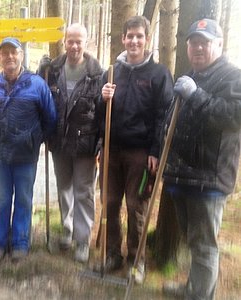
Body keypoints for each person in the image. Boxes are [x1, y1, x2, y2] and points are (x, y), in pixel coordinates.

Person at [162, 19, 241, 299]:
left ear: (218, 45)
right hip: (182, 174)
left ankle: (201, 295)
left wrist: (197, 96)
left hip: (209, 177)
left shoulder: (233, 77)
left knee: (204, 244)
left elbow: (234, 116)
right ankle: (192, 288)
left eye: (205, 42)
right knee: (192, 241)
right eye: (194, 42)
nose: (198, 47)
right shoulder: (192, 75)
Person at [100, 16, 173, 282]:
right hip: (111, 148)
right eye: (129, 36)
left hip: (140, 153)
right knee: (108, 203)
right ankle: (112, 254)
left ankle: (136, 260)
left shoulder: (158, 74)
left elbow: (163, 116)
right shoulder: (111, 72)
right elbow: (100, 115)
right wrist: (102, 98)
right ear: (123, 39)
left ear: (147, 39)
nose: (134, 41)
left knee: (135, 206)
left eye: (139, 36)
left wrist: (155, 150)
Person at [0, 37, 57, 264]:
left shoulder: (37, 84)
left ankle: (20, 243)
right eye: (4, 53)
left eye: (13, 52)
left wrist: (34, 139)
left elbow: (50, 118)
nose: (9, 57)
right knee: (2, 199)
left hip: (26, 155)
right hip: (0, 155)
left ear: (21, 55)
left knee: (24, 199)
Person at [37, 23, 102, 263]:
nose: (74, 46)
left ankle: (82, 239)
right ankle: (67, 228)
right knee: (64, 187)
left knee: (83, 191)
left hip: (85, 144)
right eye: (70, 41)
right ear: (64, 41)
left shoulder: (97, 72)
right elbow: (40, 97)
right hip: (59, 141)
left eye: (79, 41)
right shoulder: (52, 69)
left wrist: (101, 143)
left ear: (86, 42)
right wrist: (38, 72)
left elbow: (103, 111)